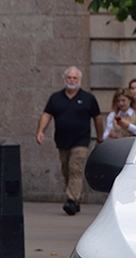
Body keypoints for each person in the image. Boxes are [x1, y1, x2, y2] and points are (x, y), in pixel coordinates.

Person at [36, 66, 104, 215]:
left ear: (79, 80)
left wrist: (100, 138)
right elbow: (46, 115)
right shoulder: (56, 98)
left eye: (74, 78)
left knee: (75, 168)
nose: (71, 81)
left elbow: (97, 119)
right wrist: (41, 131)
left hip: (81, 140)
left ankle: (71, 200)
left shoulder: (88, 98)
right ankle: (76, 199)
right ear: (65, 79)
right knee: (66, 169)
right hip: (62, 141)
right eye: (69, 78)